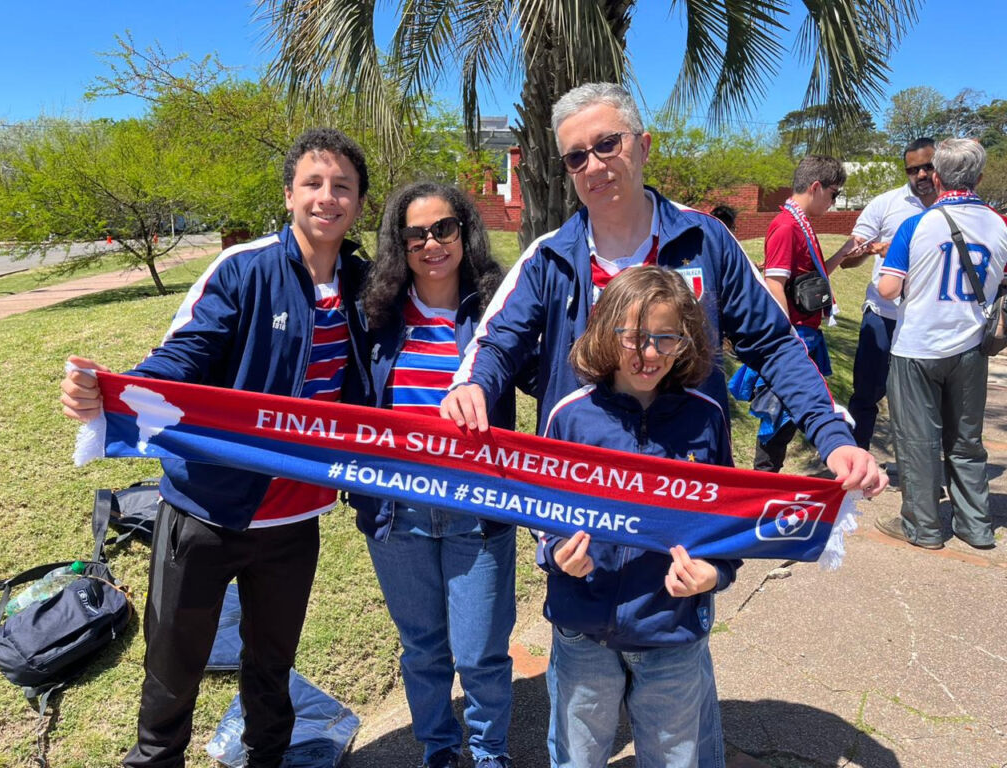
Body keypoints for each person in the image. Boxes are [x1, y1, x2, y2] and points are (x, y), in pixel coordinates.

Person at [58, 128, 372, 767]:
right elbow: (185, 354)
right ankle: (156, 760)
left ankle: (267, 757)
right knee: (174, 663)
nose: (327, 197)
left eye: (342, 186)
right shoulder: (245, 268)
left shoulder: (369, 284)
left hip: (295, 518)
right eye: (313, 183)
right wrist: (117, 393)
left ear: (360, 204)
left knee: (271, 663)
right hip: (205, 509)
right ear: (289, 195)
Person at [441, 82, 884, 496]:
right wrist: (473, 385)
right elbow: (499, 341)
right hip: (579, 484)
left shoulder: (704, 240)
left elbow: (773, 343)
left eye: (607, 144)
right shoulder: (550, 257)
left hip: (687, 478)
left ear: (644, 146)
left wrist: (830, 433)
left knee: (691, 580)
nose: (593, 165)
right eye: (576, 157)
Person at [537, 266, 737, 768]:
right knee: (576, 757)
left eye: (664, 339)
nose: (647, 354)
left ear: (684, 342)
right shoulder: (570, 416)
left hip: (671, 630)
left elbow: (728, 518)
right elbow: (541, 511)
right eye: (633, 338)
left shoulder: (706, 417)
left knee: (674, 759)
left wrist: (717, 573)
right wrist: (557, 555)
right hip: (582, 627)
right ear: (605, 333)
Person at [351, 182, 516, 768]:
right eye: (415, 234)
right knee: (422, 649)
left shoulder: (500, 311)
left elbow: (551, 371)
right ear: (400, 244)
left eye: (443, 229)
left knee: (480, 654)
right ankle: (439, 751)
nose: (431, 244)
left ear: (464, 231)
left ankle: (490, 752)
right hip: (398, 514)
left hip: (479, 509)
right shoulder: (375, 316)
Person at [874, 138, 1007, 551]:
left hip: (917, 346)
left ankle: (924, 526)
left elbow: (887, 286)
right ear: (980, 177)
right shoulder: (1000, 225)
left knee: (919, 440)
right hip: (970, 347)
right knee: (966, 440)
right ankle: (976, 525)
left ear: (936, 175)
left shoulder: (918, 225)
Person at [829, 138, 938, 449]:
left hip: (927, 318)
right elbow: (850, 258)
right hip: (883, 313)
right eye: (912, 169)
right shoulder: (885, 204)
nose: (920, 175)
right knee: (866, 393)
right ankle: (855, 463)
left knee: (923, 399)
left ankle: (919, 472)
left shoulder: (951, 206)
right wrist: (868, 251)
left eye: (927, 167)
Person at [754, 155, 846, 473]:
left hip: (807, 332)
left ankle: (768, 482)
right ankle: (763, 485)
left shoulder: (801, 225)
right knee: (776, 418)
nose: (834, 203)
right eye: (834, 194)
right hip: (796, 335)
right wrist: (786, 338)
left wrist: (847, 251)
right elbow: (774, 283)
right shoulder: (785, 227)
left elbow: (815, 278)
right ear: (817, 187)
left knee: (791, 417)